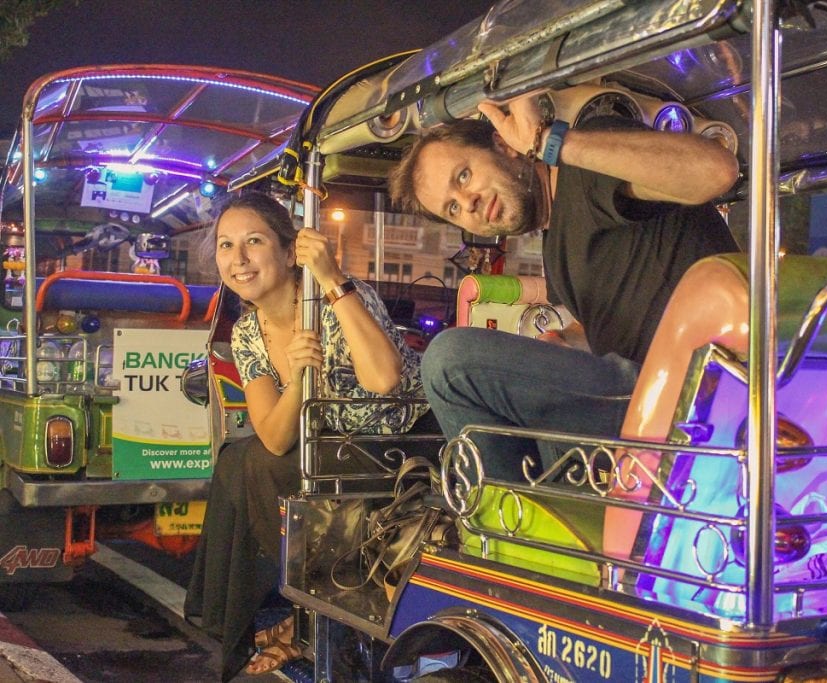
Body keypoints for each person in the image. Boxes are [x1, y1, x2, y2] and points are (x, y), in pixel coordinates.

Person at [388, 93, 739, 480]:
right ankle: (537, 525)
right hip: (642, 400)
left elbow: (716, 171)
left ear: (504, 146)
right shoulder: (555, 248)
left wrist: (549, 142)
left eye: (464, 176)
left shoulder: (585, 165)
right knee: (520, 423)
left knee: (448, 361)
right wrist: (562, 345)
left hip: (695, 392)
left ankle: (497, 529)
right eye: (452, 208)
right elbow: (617, 320)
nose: (467, 203)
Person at [183, 192, 428, 680]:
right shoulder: (248, 331)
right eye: (227, 246)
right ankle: (297, 616)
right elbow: (273, 435)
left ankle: (292, 619)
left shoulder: (337, 295)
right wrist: (299, 378)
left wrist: (333, 278)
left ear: (288, 249)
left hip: (401, 444)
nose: (239, 259)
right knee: (243, 458)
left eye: (254, 241)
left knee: (248, 463)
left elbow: (384, 380)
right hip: (336, 447)